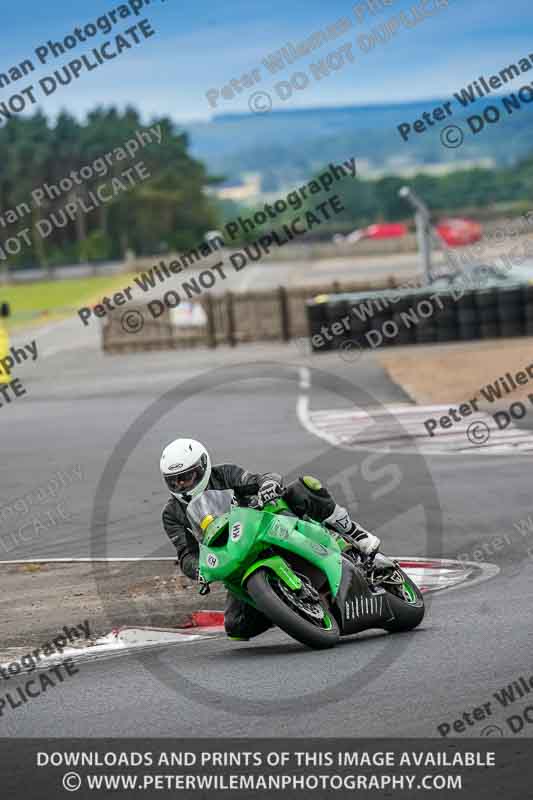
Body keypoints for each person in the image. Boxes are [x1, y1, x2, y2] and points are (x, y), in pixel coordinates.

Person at [160, 438, 380, 641]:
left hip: (264, 526)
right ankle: (287, 605)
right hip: (233, 555)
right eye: (173, 482)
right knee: (237, 627)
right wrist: (199, 570)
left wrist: (268, 485)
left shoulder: (225, 474)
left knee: (303, 488)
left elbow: (260, 478)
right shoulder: (171, 513)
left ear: (202, 467)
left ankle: (354, 532)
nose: (181, 485)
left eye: (185, 477)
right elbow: (186, 554)